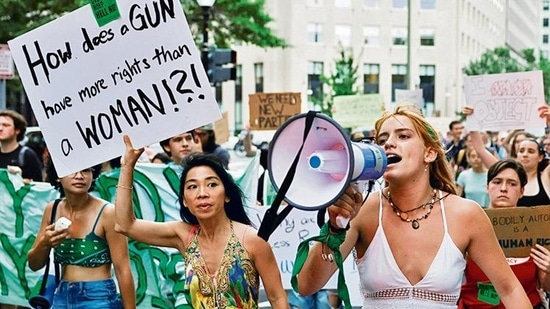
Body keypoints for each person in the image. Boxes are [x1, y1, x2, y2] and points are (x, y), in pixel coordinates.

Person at [293, 104, 531, 308]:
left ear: (429, 153)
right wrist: (335, 229)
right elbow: (306, 284)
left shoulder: (465, 214)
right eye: (382, 140)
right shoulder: (363, 210)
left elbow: (509, 289)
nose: (389, 145)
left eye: (403, 136)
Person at [114, 135, 289, 308]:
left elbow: (277, 299)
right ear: (184, 200)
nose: (202, 193)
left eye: (212, 184)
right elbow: (125, 225)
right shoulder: (184, 236)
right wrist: (127, 166)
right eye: (192, 186)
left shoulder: (252, 240)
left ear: (227, 194)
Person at [27, 158, 135, 308]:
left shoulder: (107, 212)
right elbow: (34, 264)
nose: (79, 176)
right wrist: (45, 243)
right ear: (58, 175)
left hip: (99, 297)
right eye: (72, 170)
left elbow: (122, 268)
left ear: (93, 174)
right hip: (61, 296)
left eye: (85, 170)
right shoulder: (52, 209)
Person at [459, 159, 550, 308]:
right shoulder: (467, 225)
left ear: (522, 191)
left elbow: (546, 286)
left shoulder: (537, 227)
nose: (503, 188)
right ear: (487, 187)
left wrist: (549, 270)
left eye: (512, 183)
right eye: (497, 182)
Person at [464, 106, 550, 207]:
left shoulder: (546, 177)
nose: (525, 154)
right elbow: (480, 149)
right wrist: (472, 119)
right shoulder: (503, 170)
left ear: (540, 157)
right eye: (521, 151)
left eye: (531, 151)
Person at [0, 110, 42, 182]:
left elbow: (38, 187)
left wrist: (21, 177)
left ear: (17, 130)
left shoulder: (27, 155)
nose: (0, 129)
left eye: (6, 125)